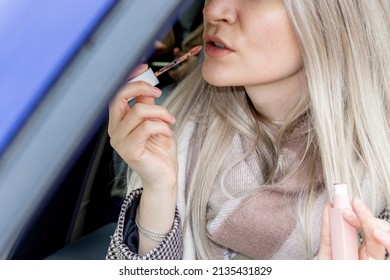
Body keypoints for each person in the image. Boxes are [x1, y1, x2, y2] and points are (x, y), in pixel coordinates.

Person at [106, 0, 390, 260]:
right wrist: (158, 191)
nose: (214, 11)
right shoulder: (175, 131)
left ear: (331, 15)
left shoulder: (381, 178)